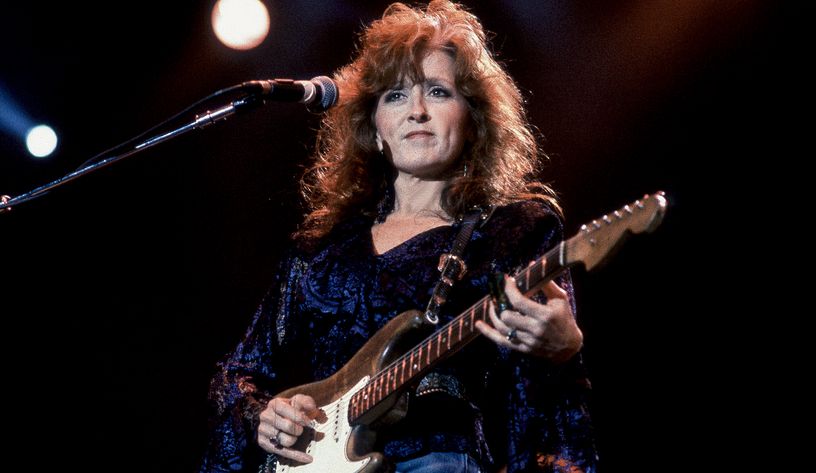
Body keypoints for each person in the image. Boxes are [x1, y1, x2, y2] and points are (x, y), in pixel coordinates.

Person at [199, 1, 598, 472]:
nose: (418, 111)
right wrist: (263, 415)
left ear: (474, 120)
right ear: (374, 129)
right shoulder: (322, 249)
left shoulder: (510, 233)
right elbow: (238, 371)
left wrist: (564, 347)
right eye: (395, 95)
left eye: (438, 91)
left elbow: (535, 394)